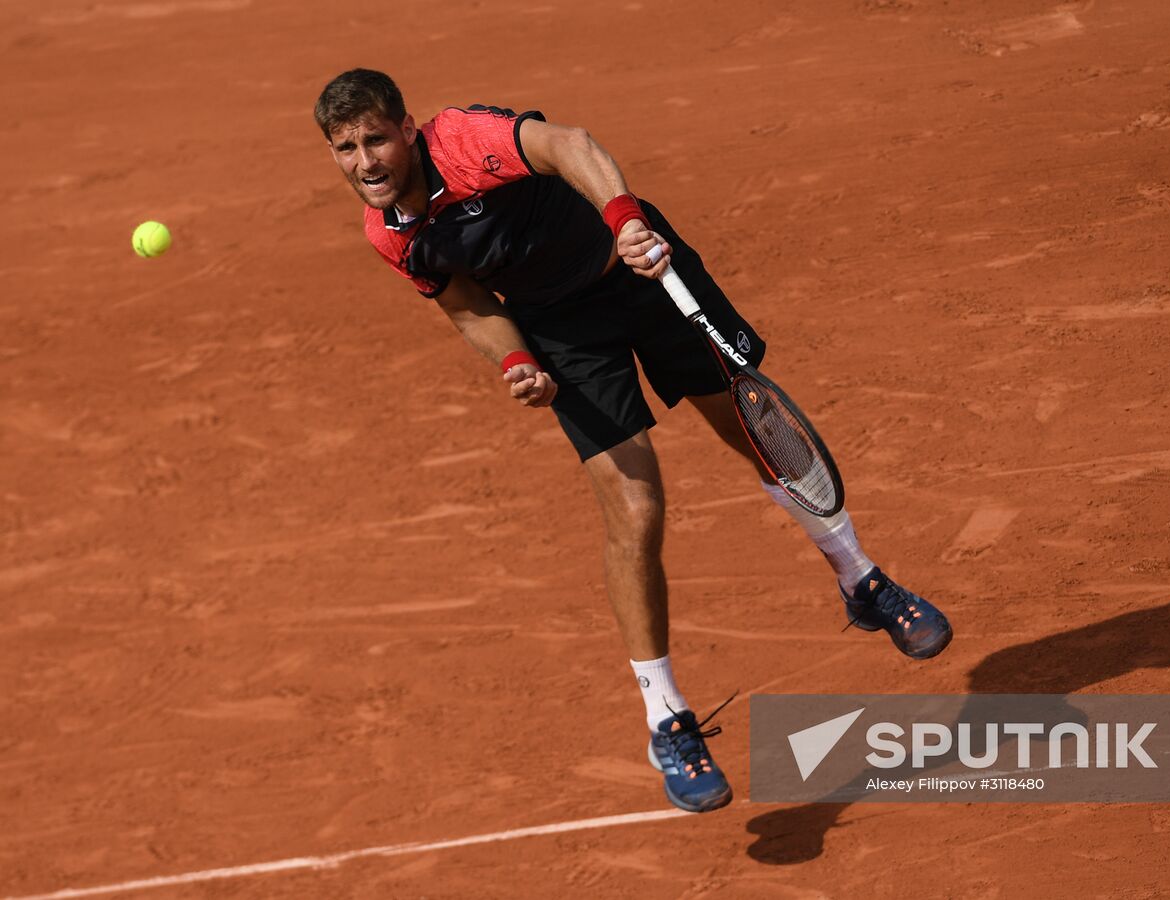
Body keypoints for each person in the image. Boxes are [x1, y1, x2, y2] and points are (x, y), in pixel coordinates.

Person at [313, 68, 953, 814]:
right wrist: (518, 361)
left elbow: (570, 145)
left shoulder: (465, 142)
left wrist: (625, 219)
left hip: (639, 267)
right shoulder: (390, 232)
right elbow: (466, 304)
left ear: (407, 130)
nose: (365, 162)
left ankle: (863, 581)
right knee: (635, 509)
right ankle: (667, 718)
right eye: (344, 148)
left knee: (753, 429)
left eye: (375, 139)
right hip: (563, 329)